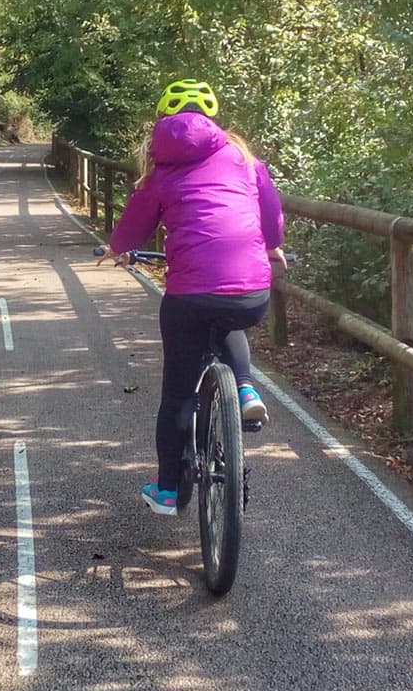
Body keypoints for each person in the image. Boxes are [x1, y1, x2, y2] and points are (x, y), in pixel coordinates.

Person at [96, 79, 286, 515]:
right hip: (251, 292)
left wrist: (118, 247)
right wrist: (272, 244)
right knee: (229, 319)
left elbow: (135, 224)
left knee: (178, 392)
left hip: (189, 295)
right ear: (213, 120)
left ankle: (167, 490)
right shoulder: (243, 158)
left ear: (163, 121)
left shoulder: (161, 170)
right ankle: (244, 388)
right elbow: (271, 214)